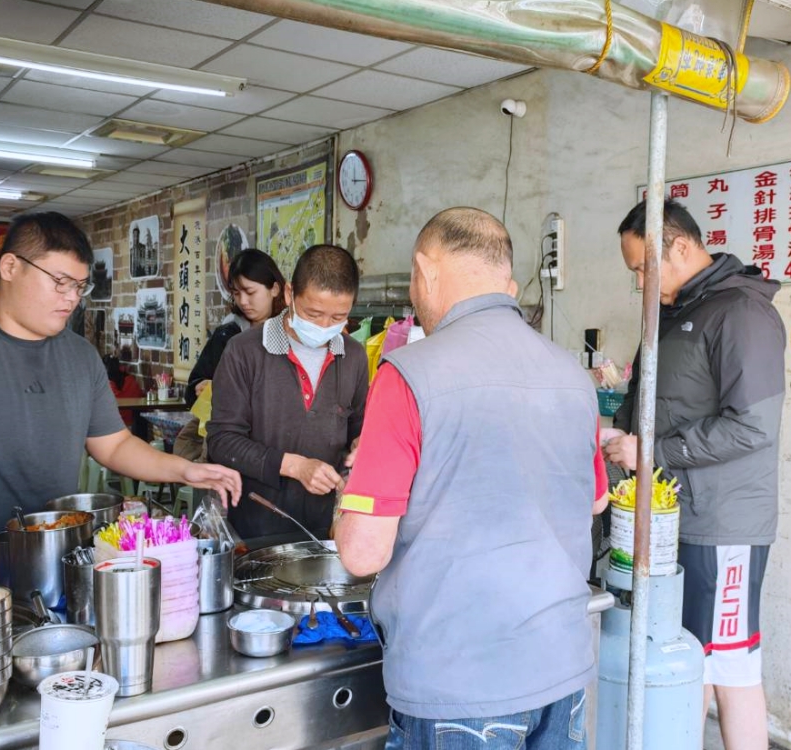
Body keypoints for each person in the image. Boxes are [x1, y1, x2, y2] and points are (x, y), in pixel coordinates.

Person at [336, 208, 608, 749]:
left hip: (458, 686)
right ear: (505, 281)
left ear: (425, 270)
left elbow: (363, 553)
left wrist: (351, 491)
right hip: (562, 670)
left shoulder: (408, 373)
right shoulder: (573, 376)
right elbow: (596, 500)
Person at [0, 212, 241, 586]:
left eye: (79, 286)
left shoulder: (80, 356)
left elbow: (113, 445)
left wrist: (184, 470)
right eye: (60, 282)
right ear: (10, 267)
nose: (72, 298)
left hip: (52, 574)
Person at [604, 199, 785, 750]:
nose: (639, 283)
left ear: (680, 247)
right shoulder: (676, 313)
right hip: (674, 517)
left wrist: (651, 452)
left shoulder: (741, 314)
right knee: (687, 656)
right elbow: (655, 401)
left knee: (729, 667)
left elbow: (752, 427)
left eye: (644, 268)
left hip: (723, 525)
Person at [207, 244, 368, 539]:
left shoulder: (354, 356)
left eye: (337, 317)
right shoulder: (244, 351)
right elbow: (222, 441)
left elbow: (359, 427)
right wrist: (295, 466)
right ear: (289, 293)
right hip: (258, 526)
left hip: (327, 528)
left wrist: (361, 445)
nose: (324, 326)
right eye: (313, 313)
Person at [184, 249, 287, 407]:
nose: (243, 301)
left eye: (250, 292)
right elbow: (192, 389)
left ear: (274, 289)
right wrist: (199, 387)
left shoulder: (291, 333)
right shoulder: (226, 335)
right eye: (236, 293)